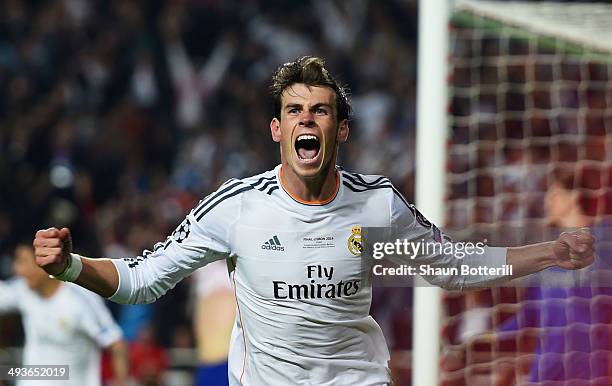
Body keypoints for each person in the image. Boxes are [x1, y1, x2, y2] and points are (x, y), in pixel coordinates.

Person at [32, 56, 595, 386]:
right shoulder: (237, 209)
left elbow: (451, 267)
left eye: (320, 110)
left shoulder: (377, 208)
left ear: (340, 130)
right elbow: (141, 280)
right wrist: (72, 266)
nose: (307, 119)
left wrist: (549, 252)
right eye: (294, 110)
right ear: (277, 130)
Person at [0, 243, 128, 386]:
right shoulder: (23, 290)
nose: (17, 270)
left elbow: (116, 345)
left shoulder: (79, 299)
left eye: (23, 262)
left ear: (44, 264)